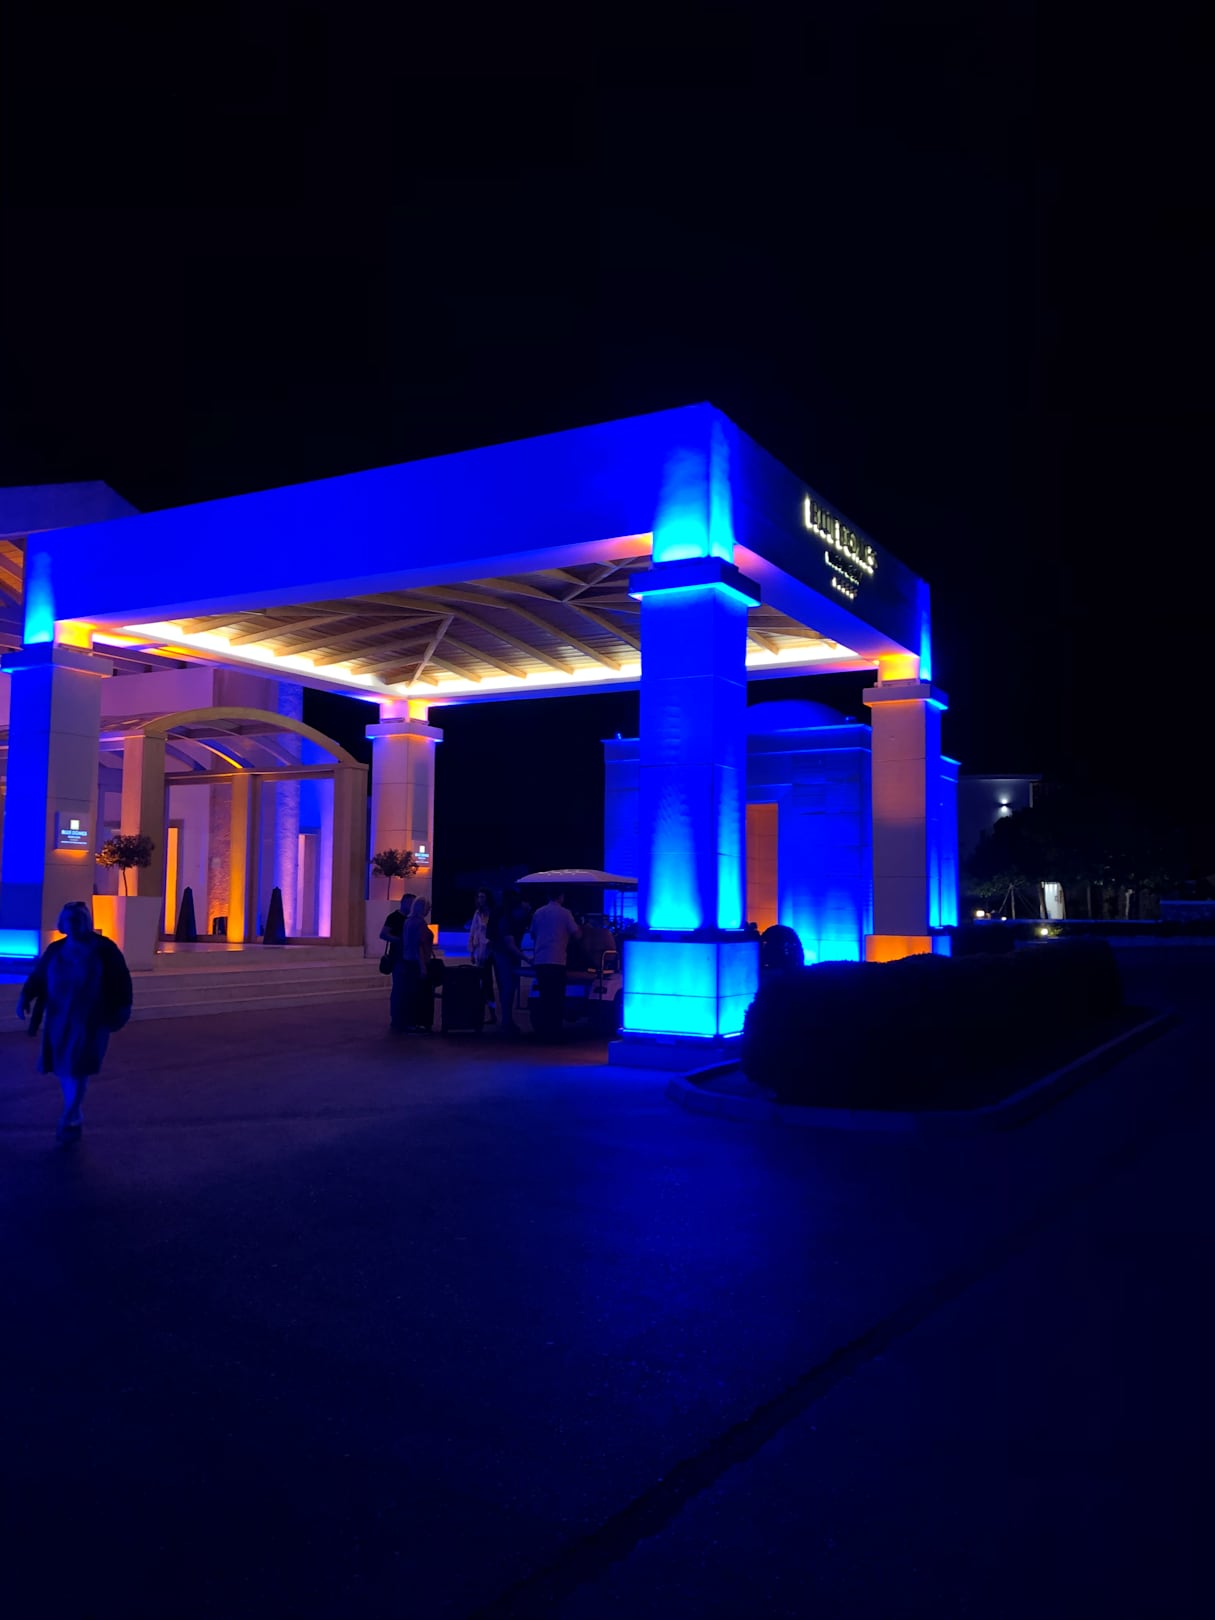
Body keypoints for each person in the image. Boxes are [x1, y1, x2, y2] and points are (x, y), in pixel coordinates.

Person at [16, 900, 134, 1144]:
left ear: (87, 921)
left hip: (90, 1020)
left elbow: (121, 981)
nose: (74, 923)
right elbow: (39, 977)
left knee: (79, 1066)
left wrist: (121, 1010)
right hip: (59, 1019)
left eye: (79, 919)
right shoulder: (56, 949)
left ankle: (69, 1117)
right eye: (70, 919)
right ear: (63, 923)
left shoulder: (104, 949)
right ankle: (75, 1113)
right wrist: (25, 997)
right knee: (64, 1068)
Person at [529, 886, 580, 1040]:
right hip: (557, 960)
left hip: (541, 960)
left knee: (544, 996)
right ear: (561, 896)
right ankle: (554, 1031)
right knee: (557, 998)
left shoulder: (538, 912)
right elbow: (577, 934)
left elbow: (533, 933)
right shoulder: (565, 913)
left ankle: (543, 1031)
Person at [488, 887, 527, 1034]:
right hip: (503, 953)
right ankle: (506, 1021)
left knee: (507, 986)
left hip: (502, 952)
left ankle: (507, 1019)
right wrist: (527, 958)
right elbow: (510, 944)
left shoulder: (504, 915)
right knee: (508, 986)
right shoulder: (507, 921)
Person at [380, 890, 416, 1033]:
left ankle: (403, 1018)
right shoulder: (394, 917)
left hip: (407, 957)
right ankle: (397, 1019)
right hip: (398, 957)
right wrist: (400, 940)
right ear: (404, 903)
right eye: (410, 903)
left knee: (405, 989)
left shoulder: (411, 919)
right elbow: (383, 934)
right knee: (399, 989)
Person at [399, 895, 435, 1033]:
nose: (429, 910)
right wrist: (423, 966)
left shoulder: (408, 922)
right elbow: (418, 946)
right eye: (428, 907)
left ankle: (409, 1022)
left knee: (410, 993)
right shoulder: (419, 923)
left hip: (408, 960)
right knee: (418, 994)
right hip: (417, 962)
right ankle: (415, 1023)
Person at [468, 888, 495, 1021]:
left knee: (487, 983)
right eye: (479, 897)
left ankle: (491, 1013)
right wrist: (472, 952)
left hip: (490, 952)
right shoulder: (477, 913)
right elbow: (473, 933)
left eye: (483, 897)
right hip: (481, 953)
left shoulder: (492, 913)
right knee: (484, 983)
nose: (480, 900)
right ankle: (484, 1013)